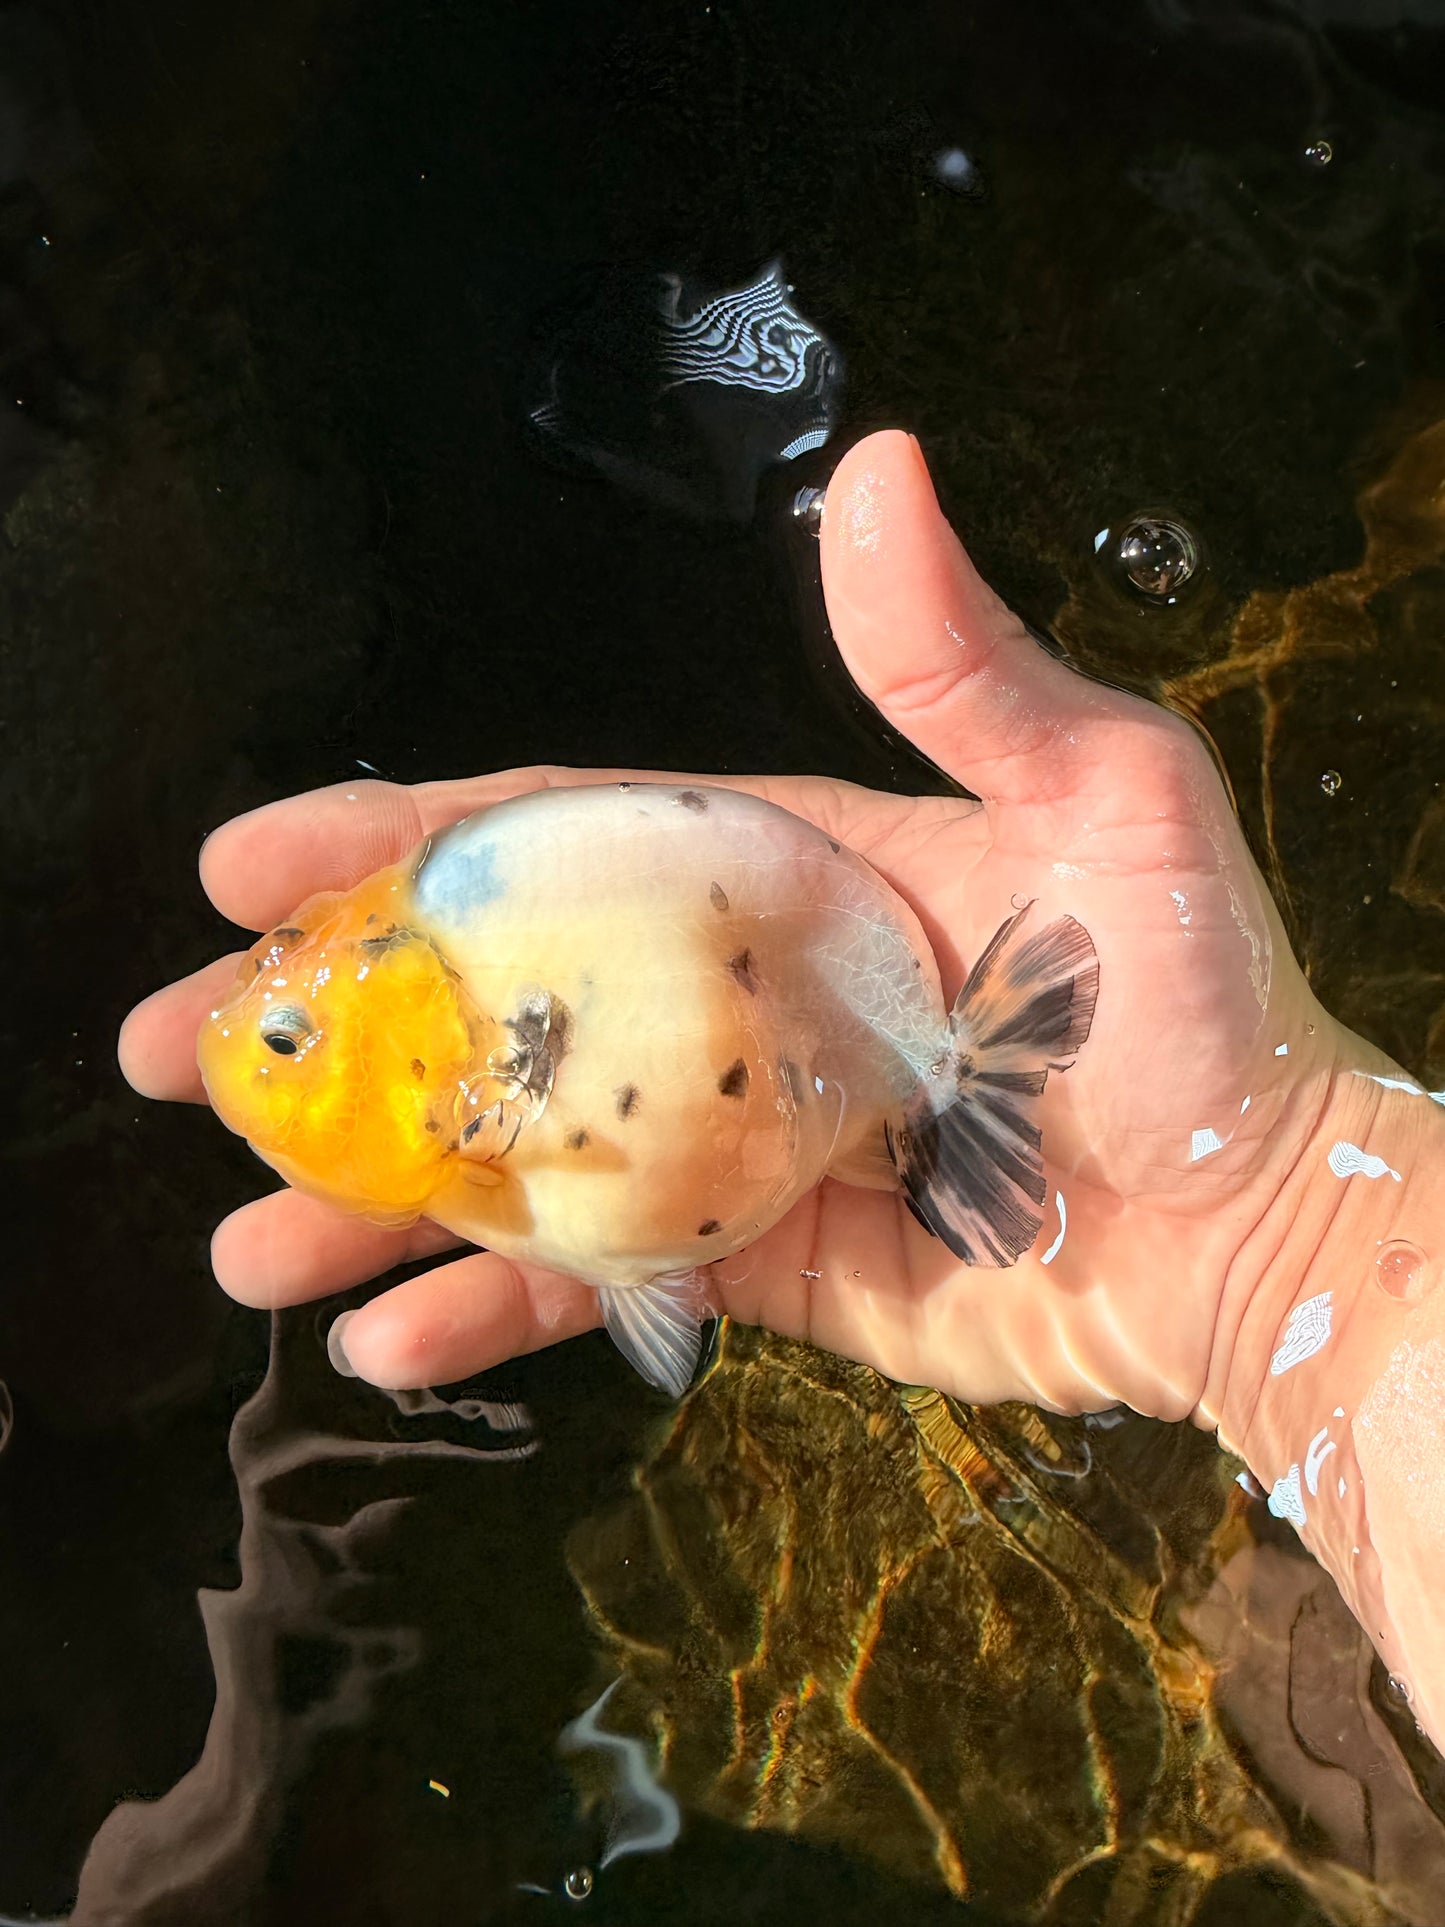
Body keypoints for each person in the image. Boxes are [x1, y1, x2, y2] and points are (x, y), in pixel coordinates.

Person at [120, 429, 1445, 1751]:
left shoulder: (477, 1080)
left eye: (289, 1039)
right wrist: (1285, 1241)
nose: (253, 1063)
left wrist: (1270, 1221)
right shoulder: (462, 1033)